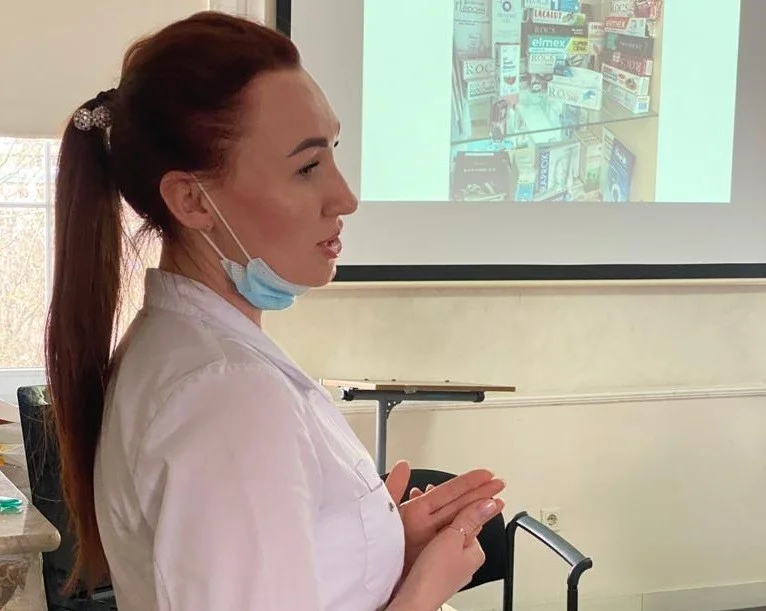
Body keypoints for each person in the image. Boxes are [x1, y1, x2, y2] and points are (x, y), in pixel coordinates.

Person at [45, 11, 506, 611]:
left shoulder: (190, 351)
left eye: (333, 152)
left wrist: (381, 549)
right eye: (307, 167)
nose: (345, 197)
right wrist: (424, 590)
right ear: (192, 200)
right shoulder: (224, 393)